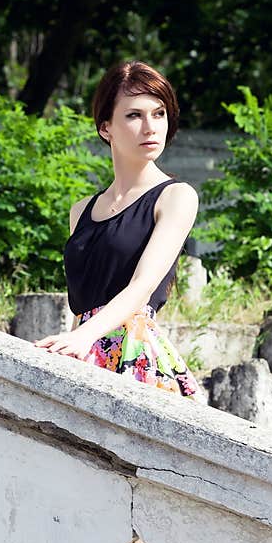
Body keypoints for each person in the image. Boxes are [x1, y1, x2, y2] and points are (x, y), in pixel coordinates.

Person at [33, 60, 204, 405]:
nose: (150, 127)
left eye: (159, 114)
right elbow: (84, 302)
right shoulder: (81, 211)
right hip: (84, 351)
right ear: (105, 127)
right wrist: (76, 342)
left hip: (135, 356)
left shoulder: (175, 197)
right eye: (133, 115)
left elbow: (143, 286)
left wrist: (85, 336)